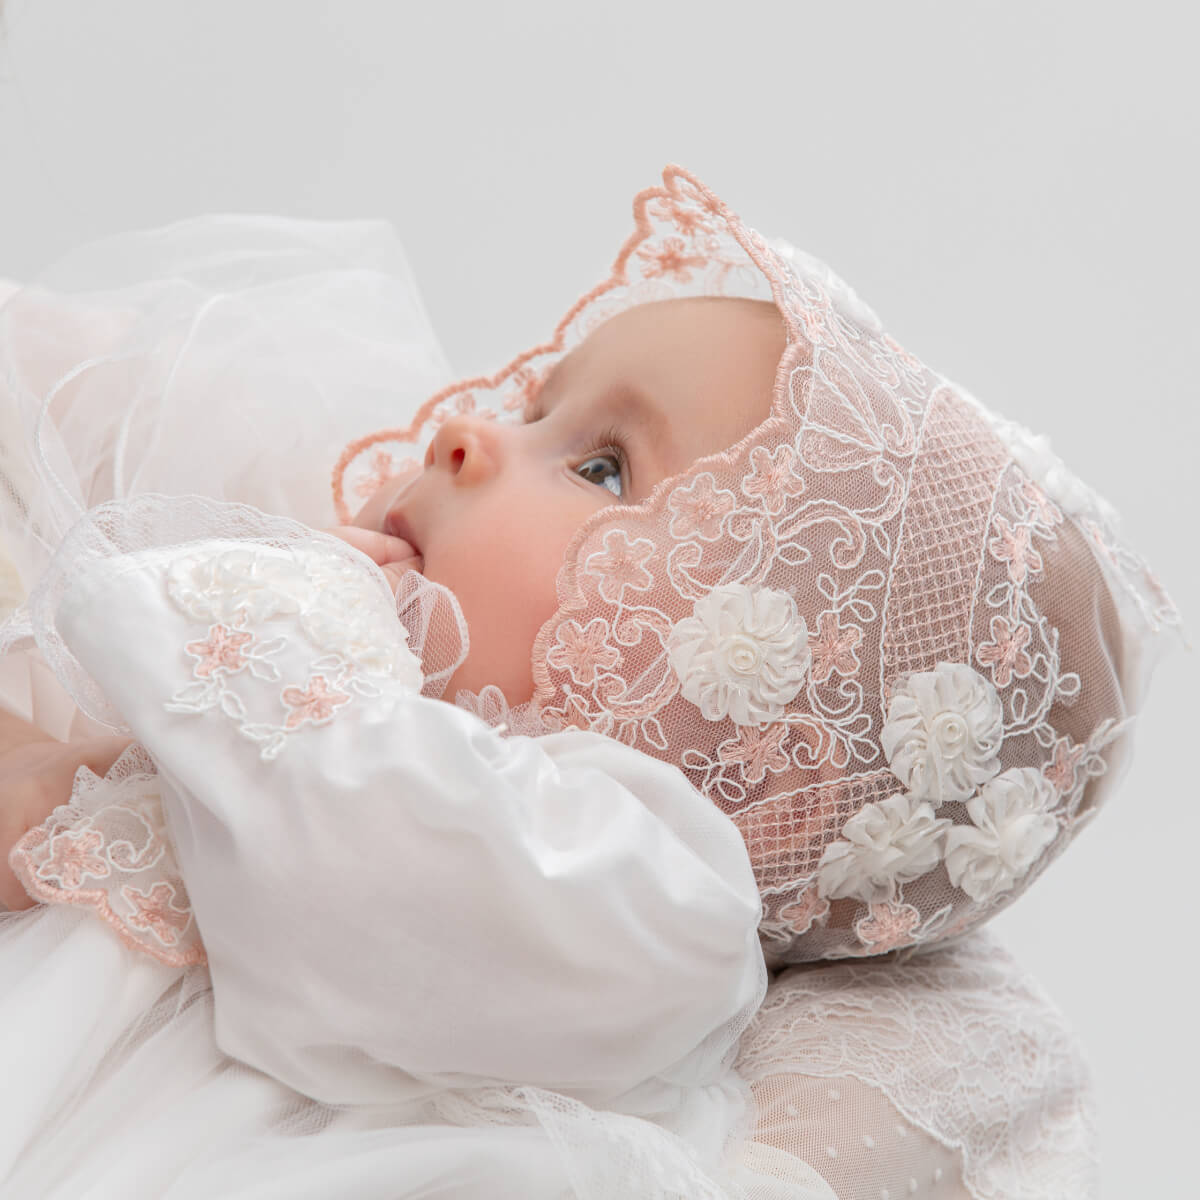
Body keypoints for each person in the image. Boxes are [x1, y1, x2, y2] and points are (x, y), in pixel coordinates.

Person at [0, 166, 1183, 1198]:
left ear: (757, 732)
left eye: (601, 467)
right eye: (533, 405)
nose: (466, 431)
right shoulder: (353, 737)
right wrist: (73, 784)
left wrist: (288, 617)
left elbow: (347, 874)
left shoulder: (655, 887)